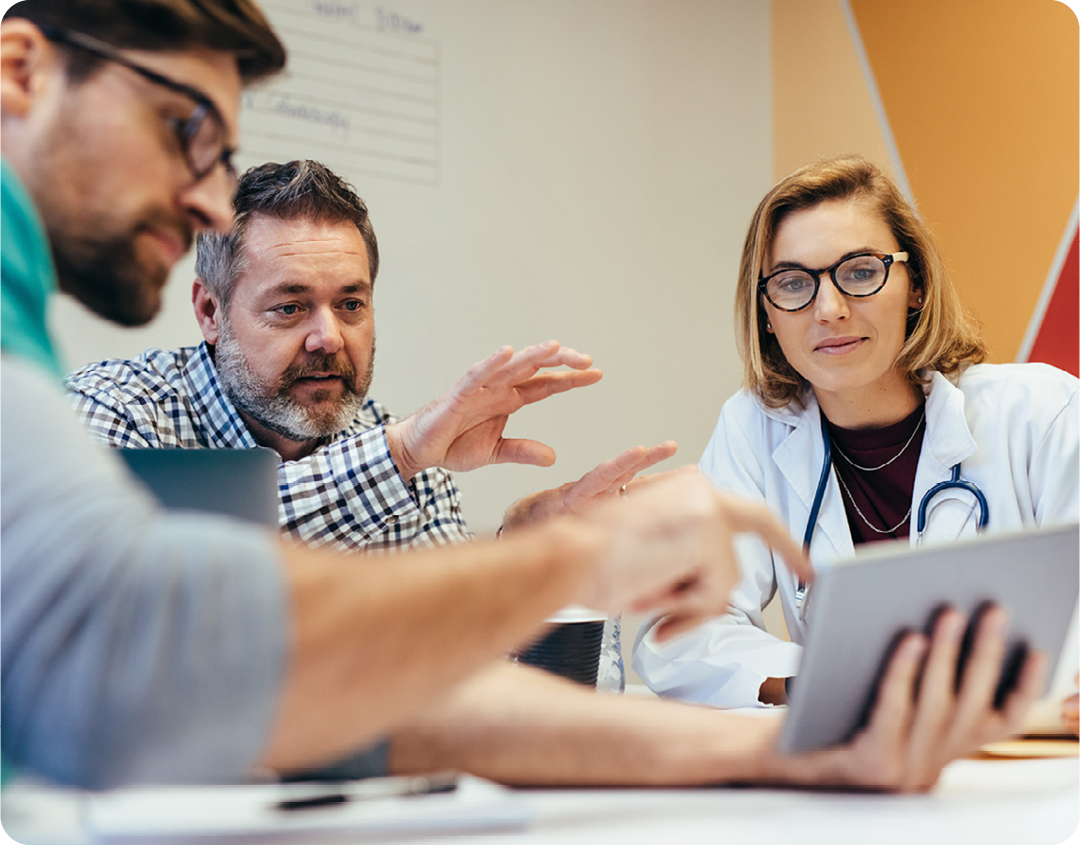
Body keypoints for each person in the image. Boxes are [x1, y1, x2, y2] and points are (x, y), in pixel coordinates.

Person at [0, 2, 1043, 794]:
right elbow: (146, 621)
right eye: (181, 127)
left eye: (353, 300)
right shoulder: (116, 407)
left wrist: (789, 747)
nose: (200, 191)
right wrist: (560, 553)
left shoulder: (33, 325)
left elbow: (425, 692)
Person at [64, 159, 676, 691]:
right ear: (209, 311)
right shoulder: (112, 411)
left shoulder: (395, 444)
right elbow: (144, 604)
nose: (328, 337)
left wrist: (522, 552)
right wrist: (399, 455)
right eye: (290, 307)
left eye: (351, 304)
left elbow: (451, 666)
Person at [633, 154, 1080, 711]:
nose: (830, 309)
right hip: (854, 771)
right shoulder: (754, 428)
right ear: (768, 314)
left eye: (861, 271)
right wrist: (830, 683)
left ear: (914, 284)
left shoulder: (1042, 412)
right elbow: (680, 632)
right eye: (793, 283)